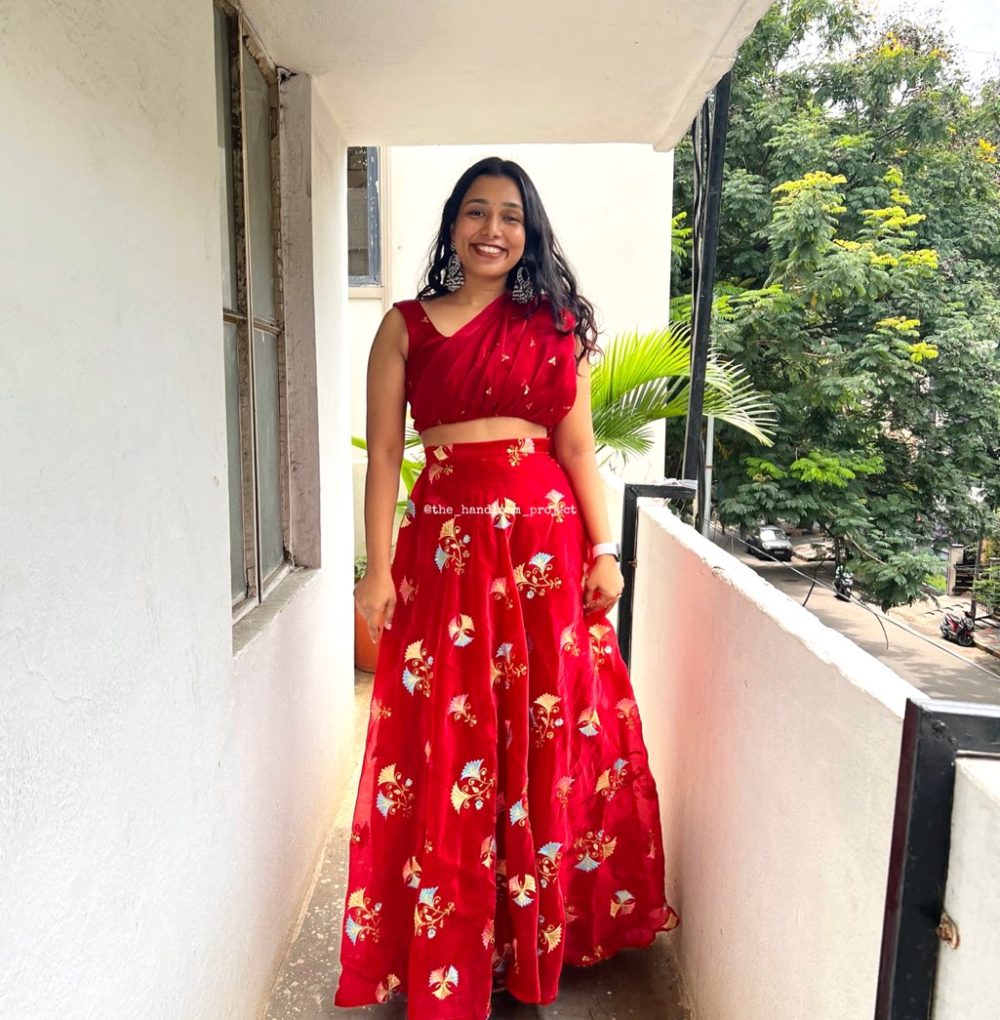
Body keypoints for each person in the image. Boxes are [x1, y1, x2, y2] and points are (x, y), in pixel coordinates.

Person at [335, 157, 679, 1019]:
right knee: (447, 747)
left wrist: (605, 549)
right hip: (444, 555)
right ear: (453, 224)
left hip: (543, 553)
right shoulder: (404, 328)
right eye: (477, 212)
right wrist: (378, 569)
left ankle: (527, 936)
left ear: (530, 234)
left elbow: (575, 450)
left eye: (511, 217)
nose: (494, 229)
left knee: (541, 736)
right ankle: (452, 936)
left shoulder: (555, 326)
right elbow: (384, 458)